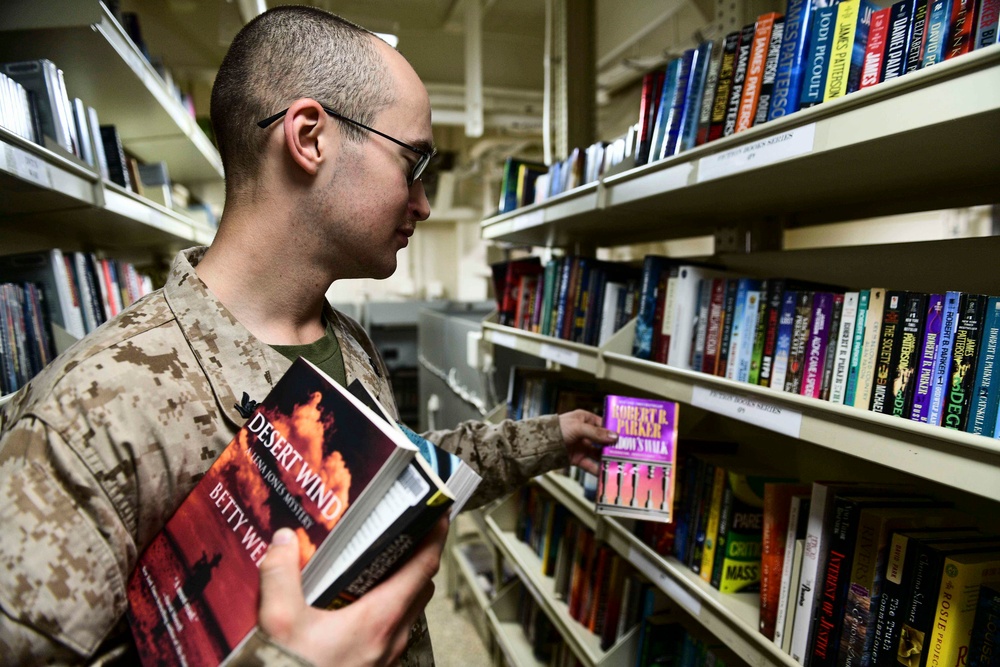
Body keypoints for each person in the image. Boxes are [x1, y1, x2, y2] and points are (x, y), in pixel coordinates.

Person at [0, 6, 618, 666]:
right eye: (413, 161)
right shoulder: (95, 410)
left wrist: (549, 438)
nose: (424, 202)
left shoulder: (345, 340)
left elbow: (397, 472)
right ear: (310, 137)